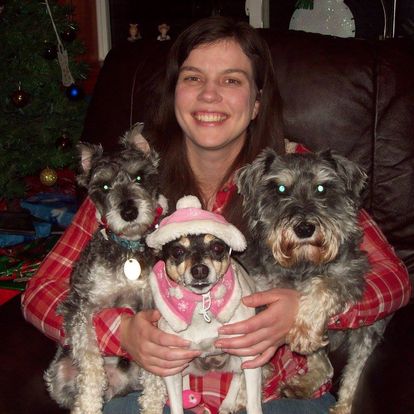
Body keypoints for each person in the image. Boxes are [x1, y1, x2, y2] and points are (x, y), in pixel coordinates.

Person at [22, 16, 411, 414]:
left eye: (231, 80)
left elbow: (394, 280)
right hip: (153, 396)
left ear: (257, 100)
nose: (209, 95)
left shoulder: (301, 176)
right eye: (192, 78)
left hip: (272, 393)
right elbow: (41, 292)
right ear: (174, 94)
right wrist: (120, 332)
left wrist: (305, 309)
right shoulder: (132, 184)